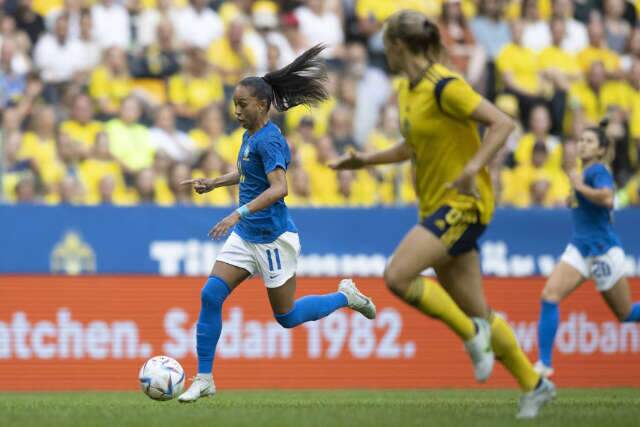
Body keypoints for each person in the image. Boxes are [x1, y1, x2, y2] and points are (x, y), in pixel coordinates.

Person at [330, 10, 555, 419]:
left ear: (399, 46)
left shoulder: (445, 86)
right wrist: (365, 161)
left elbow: (502, 123)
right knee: (478, 308)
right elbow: (411, 147)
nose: (385, 53)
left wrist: (473, 169)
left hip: (465, 206)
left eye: (387, 45)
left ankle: (472, 336)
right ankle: (534, 383)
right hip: (435, 205)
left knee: (397, 276)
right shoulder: (406, 91)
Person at [178, 45, 376, 402]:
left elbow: (279, 188)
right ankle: (205, 377)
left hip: (273, 239)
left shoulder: (271, 140)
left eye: (242, 105)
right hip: (247, 234)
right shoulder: (249, 136)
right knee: (210, 294)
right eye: (234, 104)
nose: (236, 111)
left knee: (286, 316)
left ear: (262, 105)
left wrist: (237, 212)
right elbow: (245, 172)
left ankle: (345, 296)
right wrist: (214, 183)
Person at [535, 122, 640, 377]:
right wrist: (575, 196)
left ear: (602, 149)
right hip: (580, 247)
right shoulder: (584, 173)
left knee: (625, 314)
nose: (582, 144)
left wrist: (578, 188)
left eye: (589, 141)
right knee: (549, 295)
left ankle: (544, 364)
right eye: (581, 139)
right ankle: (544, 365)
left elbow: (607, 198)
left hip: (602, 249)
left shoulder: (596, 171)